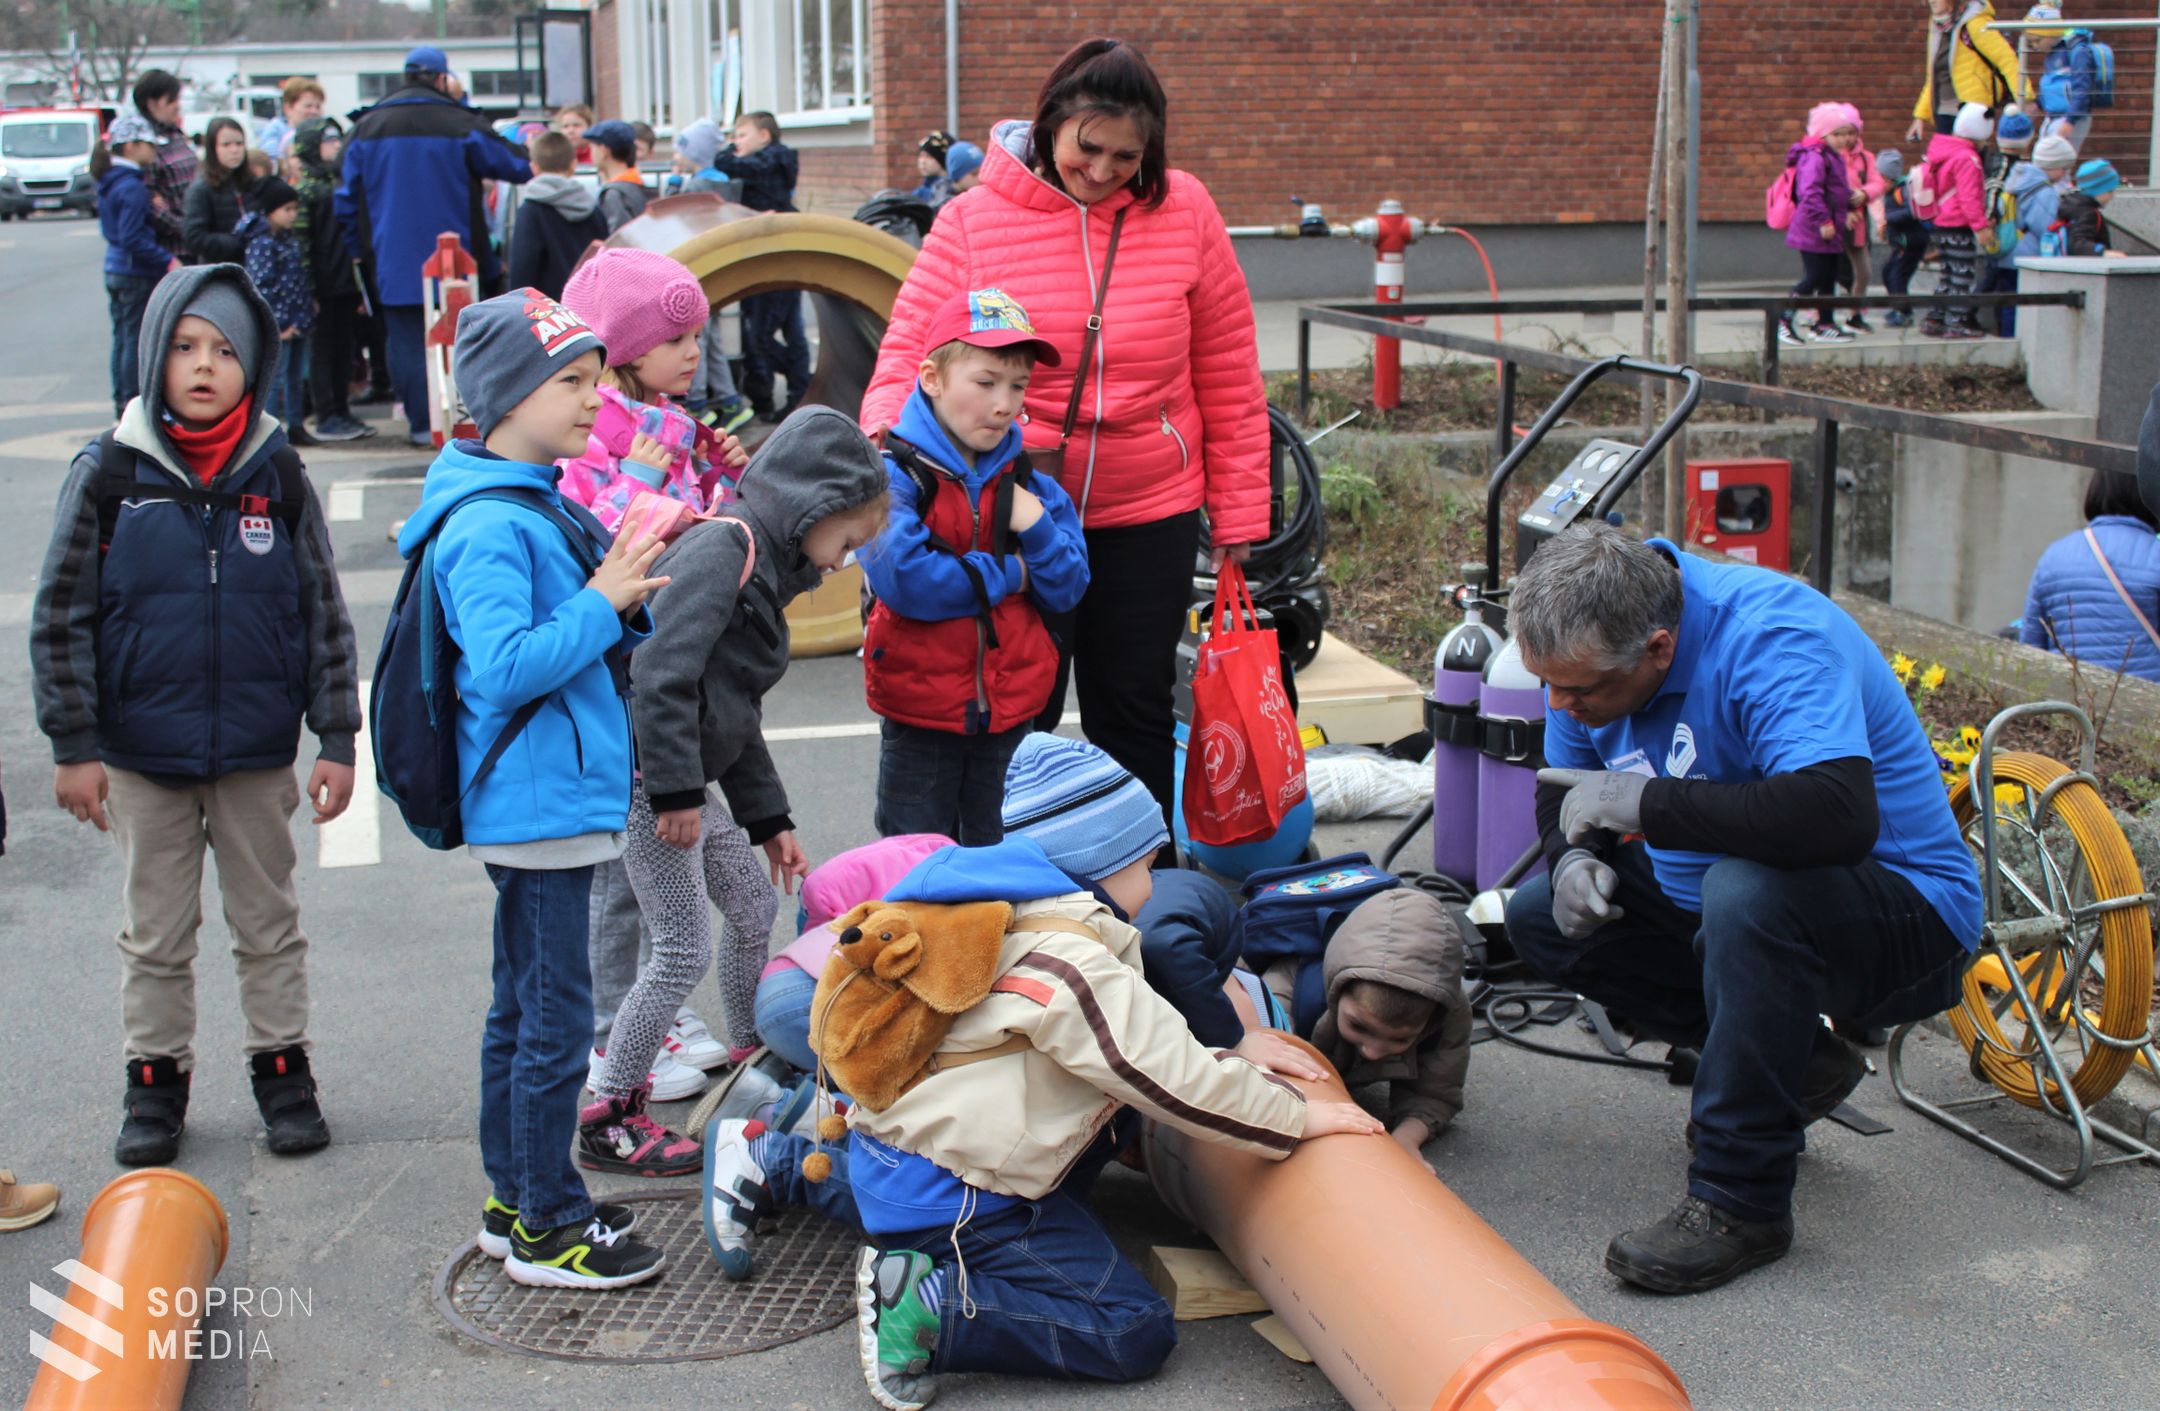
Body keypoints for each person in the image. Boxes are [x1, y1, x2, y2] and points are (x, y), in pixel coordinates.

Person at [699, 774, 1382, 1411]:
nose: (1155, 879)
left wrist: (1220, 1056)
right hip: (962, 1193)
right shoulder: (1071, 960)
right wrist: (1298, 1118)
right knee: (1133, 1326)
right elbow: (1168, 1079)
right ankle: (934, 1308)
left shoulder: (992, 913)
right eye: (1147, 862)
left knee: (935, 1194)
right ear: (1102, 863)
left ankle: (772, 1159)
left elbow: (1134, 1052)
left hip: (900, 1153)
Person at [1500, 525, 1981, 1294]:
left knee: (1746, 891)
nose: (1563, 705)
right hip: (1732, 906)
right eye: (1548, 684)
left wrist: (1653, 803)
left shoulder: (1774, 636)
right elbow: (1565, 787)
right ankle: (1802, 1067)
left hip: (1904, 911)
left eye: (1582, 691)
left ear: (1659, 648)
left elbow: (1836, 815)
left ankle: (1739, 1200)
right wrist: (1574, 860)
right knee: (1534, 916)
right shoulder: (1590, 658)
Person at [861, 38, 1271, 836]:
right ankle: (1013, 899)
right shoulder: (974, 219)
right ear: (1052, 124)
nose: (1104, 169)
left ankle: (1147, 896)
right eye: (1089, 146)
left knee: (1135, 709)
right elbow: (908, 354)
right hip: (1011, 504)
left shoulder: (1185, 209)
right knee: (1020, 714)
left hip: (1150, 504)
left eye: (1128, 155)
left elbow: (1228, 369)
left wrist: (1241, 513)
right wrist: (880, 488)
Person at [32, 265, 361, 1167]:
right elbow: (60, 615)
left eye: (223, 350)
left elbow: (322, 612)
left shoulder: (276, 471)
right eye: (185, 347)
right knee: (155, 934)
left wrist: (337, 737)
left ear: (251, 365)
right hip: (141, 757)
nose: (204, 365)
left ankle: (284, 1072)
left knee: (269, 923)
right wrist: (75, 746)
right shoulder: (109, 471)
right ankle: (154, 1086)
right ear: (154, 357)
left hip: (255, 753)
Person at [397, 289, 670, 1289]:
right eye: (571, 382)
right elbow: (506, 666)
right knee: (552, 1025)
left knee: (525, 1014)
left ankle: (518, 1199)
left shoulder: (530, 494)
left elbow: (565, 633)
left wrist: (621, 600)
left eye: (596, 377)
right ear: (504, 396)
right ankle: (549, 1224)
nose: (595, 399)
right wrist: (604, 601)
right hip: (540, 804)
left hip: (551, 797)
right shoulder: (488, 522)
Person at [592, 407, 888, 1175]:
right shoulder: (726, 546)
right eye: (846, 541)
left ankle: (749, 1051)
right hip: (647, 784)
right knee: (682, 945)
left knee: (756, 904)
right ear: (812, 508)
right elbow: (658, 671)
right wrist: (675, 793)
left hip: (678, 783)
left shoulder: (759, 562)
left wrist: (768, 819)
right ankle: (610, 1106)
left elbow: (730, 710)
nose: (841, 561)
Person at [554, 247, 751, 1113]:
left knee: (655, 868)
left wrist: (725, 472)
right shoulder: (592, 432)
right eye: (675, 338)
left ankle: (653, 1012)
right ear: (625, 347)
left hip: (668, 669)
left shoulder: (671, 418)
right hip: (613, 679)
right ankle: (610, 1027)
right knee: (619, 873)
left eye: (698, 336)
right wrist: (643, 468)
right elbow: (603, 536)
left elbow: (705, 529)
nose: (692, 354)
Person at [861, 288, 1089, 845]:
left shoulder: (1031, 483)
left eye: (1018, 386)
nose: (1004, 403)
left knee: (1001, 865)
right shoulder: (894, 476)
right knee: (914, 867)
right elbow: (910, 582)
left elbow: (1069, 587)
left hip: (1013, 716)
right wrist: (1013, 575)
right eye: (985, 382)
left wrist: (1034, 527)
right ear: (933, 379)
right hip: (920, 718)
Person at [336, 45, 531, 447]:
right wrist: (464, 106)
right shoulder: (459, 122)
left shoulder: (366, 127)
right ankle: (470, 422)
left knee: (406, 342)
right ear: (443, 79)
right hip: (462, 260)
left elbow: (343, 199)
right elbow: (517, 164)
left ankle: (422, 424)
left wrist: (358, 249)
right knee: (471, 338)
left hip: (392, 259)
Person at [1257, 888, 1472, 1173]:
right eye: (1359, 1025)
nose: (1373, 1051)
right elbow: (1256, 1068)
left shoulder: (1449, 1010)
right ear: (1337, 991)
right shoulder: (1286, 992)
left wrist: (1406, 1140)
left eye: (1401, 1038)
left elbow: (1436, 1094)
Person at [753, 833, 956, 1075]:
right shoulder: (945, 890)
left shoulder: (931, 856)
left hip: (782, 976)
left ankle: (780, 1085)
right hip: (811, 997)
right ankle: (787, 1094)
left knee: (844, 1077)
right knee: (877, 1084)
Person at [703, 112, 810, 422]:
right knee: (789, 328)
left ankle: (797, 378)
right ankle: (797, 390)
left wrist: (725, 153)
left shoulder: (773, 160)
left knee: (763, 334)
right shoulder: (767, 162)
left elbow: (729, 162)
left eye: (741, 135)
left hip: (778, 256)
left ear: (764, 136)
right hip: (772, 254)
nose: (735, 143)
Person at [2019, 471, 2160, 679]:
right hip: (2146, 705)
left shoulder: (2054, 556)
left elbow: (2030, 649)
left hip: (2068, 702)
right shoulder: (2155, 557)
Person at [291, 118, 372, 442]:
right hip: (323, 287)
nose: (336, 146)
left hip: (343, 284)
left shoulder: (337, 183)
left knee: (344, 348)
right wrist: (309, 290)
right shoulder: (307, 191)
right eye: (328, 141)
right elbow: (303, 246)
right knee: (324, 351)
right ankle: (328, 413)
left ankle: (341, 409)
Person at [95, 116, 182, 417]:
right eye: (148, 145)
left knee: (122, 338)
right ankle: (134, 405)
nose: (153, 152)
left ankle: (121, 400)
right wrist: (166, 259)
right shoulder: (132, 187)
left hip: (115, 268)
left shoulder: (110, 181)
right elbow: (133, 236)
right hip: (135, 272)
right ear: (131, 146)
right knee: (135, 339)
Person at [239, 177, 314, 444]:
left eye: (295, 209)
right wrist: (279, 323)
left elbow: (297, 280)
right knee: (277, 377)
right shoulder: (262, 243)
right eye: (287, 210)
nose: (292, 215)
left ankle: (296, 425)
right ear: (270, 210)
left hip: (298, 320)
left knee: (296, 377)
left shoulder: (288, 239)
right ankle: (269, 431)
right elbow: (262, 288)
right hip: (280, 324)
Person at [1779, 103, 1857, 347]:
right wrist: (1823, 220)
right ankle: (1783, 319)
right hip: (1815, 228)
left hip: (1831, 227)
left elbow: (1835, 190)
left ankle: (1824, 323)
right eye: (1837, 134)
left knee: (1829, 277)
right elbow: (1810, 192)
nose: (1843, 139)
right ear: (1822, 135)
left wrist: (1850, 204)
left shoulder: (1832, 157)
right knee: (1814, 276)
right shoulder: (1815, 157)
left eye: (1846, 133)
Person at [508, 130, 608, 299]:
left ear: (534, 167)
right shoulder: (593, 209)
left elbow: (522, 268)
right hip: (589, 306)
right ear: (573, 164)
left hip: (548, 313)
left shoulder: (531, 210)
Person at [1920, 103, 1992, 338]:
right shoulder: (1967, 158)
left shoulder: (1944, 151)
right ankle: (1956, 322)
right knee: (1962, 275)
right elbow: (1969, 196)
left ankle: (1935, 317)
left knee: (1948, 273)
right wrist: (1980, 226)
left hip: (1940, 222)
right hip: (1958, 223)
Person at [1908, 0, 2025, 141]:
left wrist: (2025, 97)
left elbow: (2006, 59)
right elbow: (1934, 77)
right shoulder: (1938, 27)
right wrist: (1920, 117)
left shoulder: (1974, 23)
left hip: (1971, 112)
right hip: (1943, 112)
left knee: (1966, 160)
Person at [1829, 104, 1886, 334]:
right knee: (1826, 271)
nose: (1846, 139)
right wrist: (1844, 208)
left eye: (1851, 133)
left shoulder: (1865, 157)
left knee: (1864, 271)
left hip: (1858, 223)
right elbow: (1830, 188)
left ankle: (1854, 314)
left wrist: (1865, 193)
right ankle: (1820, 314)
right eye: (1840, 133)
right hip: (1833, 222)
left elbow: (1877, 183)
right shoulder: (1829, 156)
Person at [130, 70, 197, 263]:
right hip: (174, 251)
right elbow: (150, 202)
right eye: (172, 100)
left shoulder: (175, 134)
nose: (178, 106)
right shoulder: (145, 144)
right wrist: (186, 229)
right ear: (152, 104)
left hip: (197, 242)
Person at [1981, 110, 2037, 334]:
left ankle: (1999, 328)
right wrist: (1989, 217)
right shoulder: (2005, 164)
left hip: (2000, 239)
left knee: (1998, 285)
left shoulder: (1995, 159)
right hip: (2003, 237)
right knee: (2003, 288)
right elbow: (1994, 187)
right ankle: (2005, 333)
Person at [183, 117, 263, 266]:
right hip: (220, 269)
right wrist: (234, 243)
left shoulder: (251, 183)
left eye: (239, 144)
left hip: (255, 265)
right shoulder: (201, 189)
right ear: (213, 148)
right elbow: (194, 236)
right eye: (226, 145)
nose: (234, 150)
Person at [1876, 150, 1928, 327]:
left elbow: (1912, 212)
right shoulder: (1893, 191)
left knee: (1897, 276)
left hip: (1911, 242)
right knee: (1888, 273)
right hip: (1901, 242)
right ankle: (1898, 307)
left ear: (1888, 178)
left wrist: (1887, 219)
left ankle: (1904, 313)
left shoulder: (1903, 190)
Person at [587, 120, 650, 232]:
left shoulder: (614, 194)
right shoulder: (638, 184)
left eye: (592, 147)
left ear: (603, 151)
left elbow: (618, 242)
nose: (591, 153)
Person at [2056, 158, 2125, 257]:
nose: (2112, 196)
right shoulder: (2088, 213)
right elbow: (2077, 243)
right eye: (2110, 191)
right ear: (2098, 190)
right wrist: (2102, 252)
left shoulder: (2070, 205)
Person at [255, 76, 324, 159]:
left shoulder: (324, 133)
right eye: (308, 106)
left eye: (318, 107)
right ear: (288, 108)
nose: (314, 112)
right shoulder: (275, 133)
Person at [911, 129, 955, 203]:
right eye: (921, 156)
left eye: (929, 157)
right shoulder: (919, 192)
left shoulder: (950, 192)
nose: (923, 161)